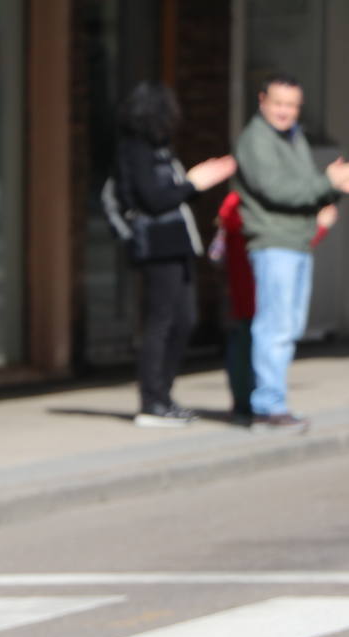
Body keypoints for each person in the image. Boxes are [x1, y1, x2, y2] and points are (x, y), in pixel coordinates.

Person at [114, 81, 235, 428]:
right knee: (161, 322)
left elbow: (169, 193)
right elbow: (153, 199)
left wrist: (191, 184)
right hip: (157, 246)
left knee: (185, 320)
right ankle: (152, 400)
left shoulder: (159, 148)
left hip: (176, 243)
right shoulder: (135, 150)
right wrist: (193, 184)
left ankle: (164, 396)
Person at [232, 72, 349, 430]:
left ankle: (273, 401)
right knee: (275, 326)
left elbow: (304, 188)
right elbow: (279, 190)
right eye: (279, 103)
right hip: (274, 243)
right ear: (262, 100)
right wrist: (327, 183)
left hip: (296, 241)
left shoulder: (291, 136)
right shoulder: (256, 140)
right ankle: (267, 406)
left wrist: (333, 187)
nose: (285, 112)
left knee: (289, 326)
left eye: (292, 106)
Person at [214, 190, 335, 424]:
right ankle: (257, 407)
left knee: (244, 341)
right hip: (258, 290)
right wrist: (319, 227)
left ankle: (244, 406)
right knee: (254, 344)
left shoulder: (236, 202)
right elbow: (285, 245)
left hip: (246, 290)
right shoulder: (256, 203)